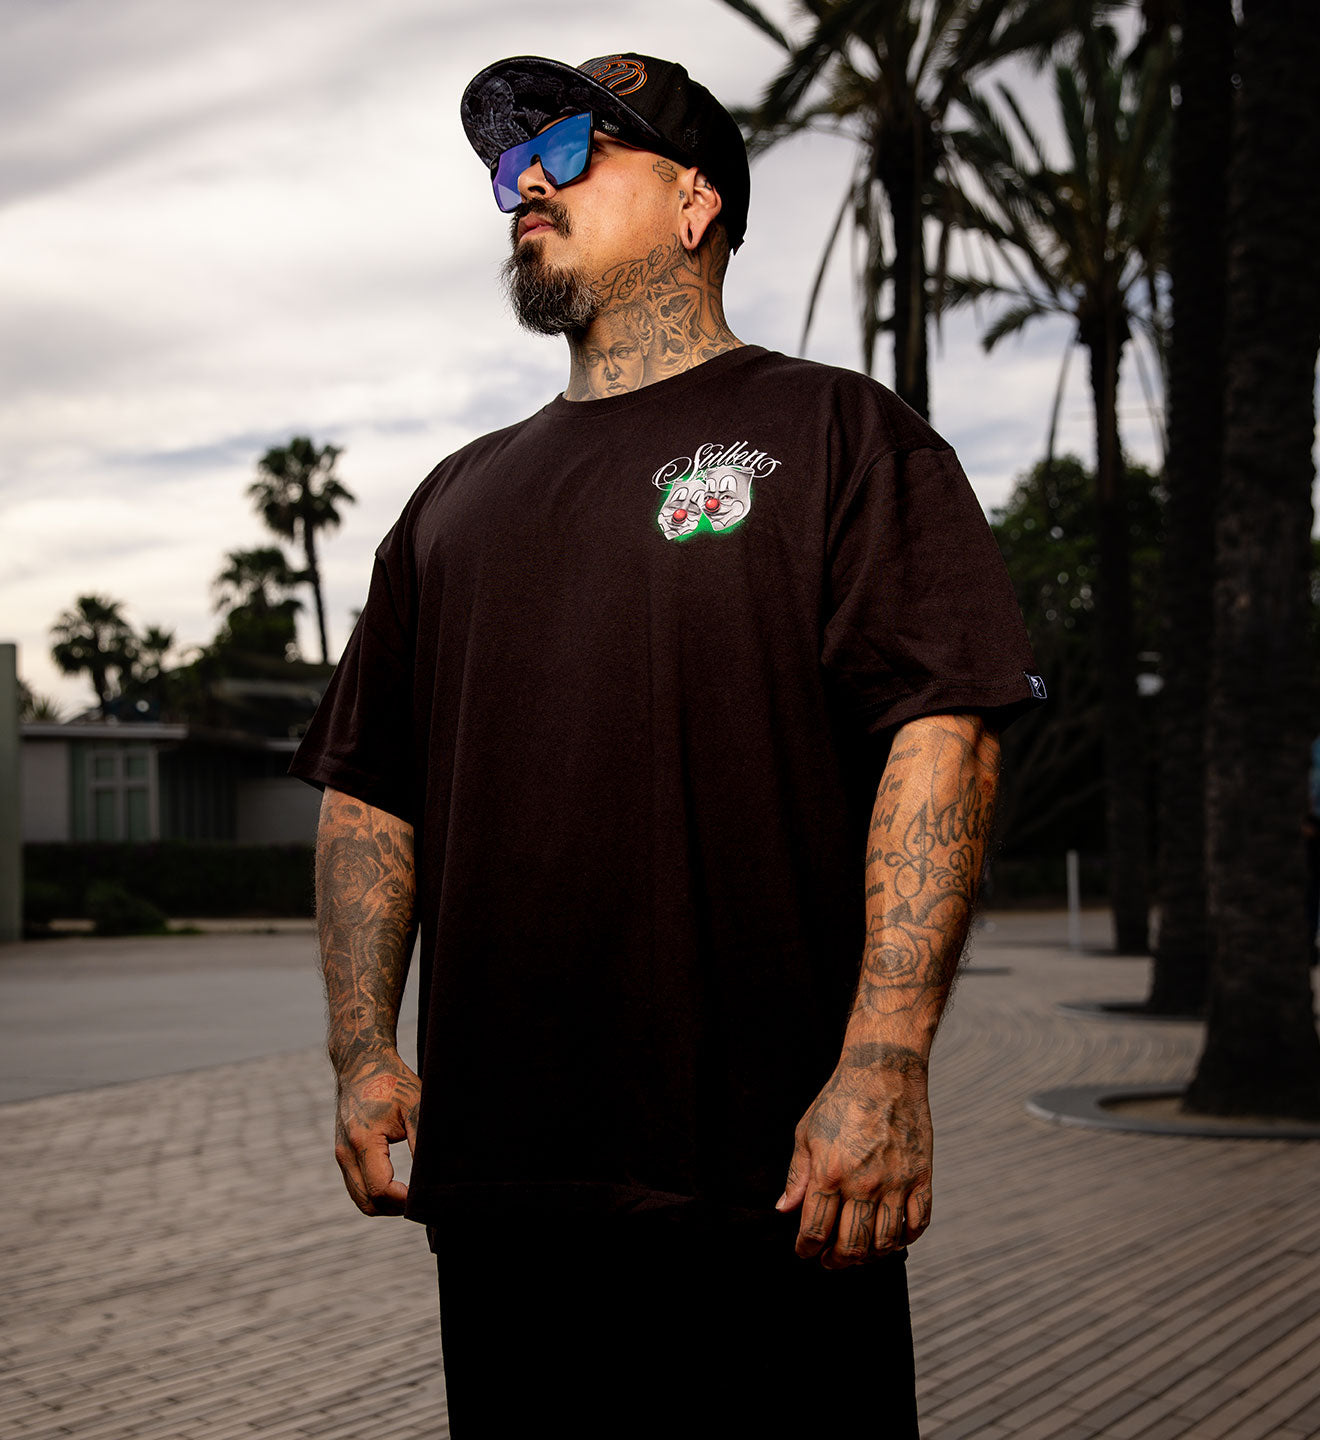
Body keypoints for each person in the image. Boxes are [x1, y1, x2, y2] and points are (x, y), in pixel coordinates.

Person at [290, 50, 1044, 1438]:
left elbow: (942, 735)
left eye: (570, 150)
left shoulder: (840, 437)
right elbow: (369, 796)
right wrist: (360, 1049)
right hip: (506, 1207)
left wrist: (884, 1061)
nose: (527, 185)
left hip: (773, 1193)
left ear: (697, 203)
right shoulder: (451, 504)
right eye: (512, 167)